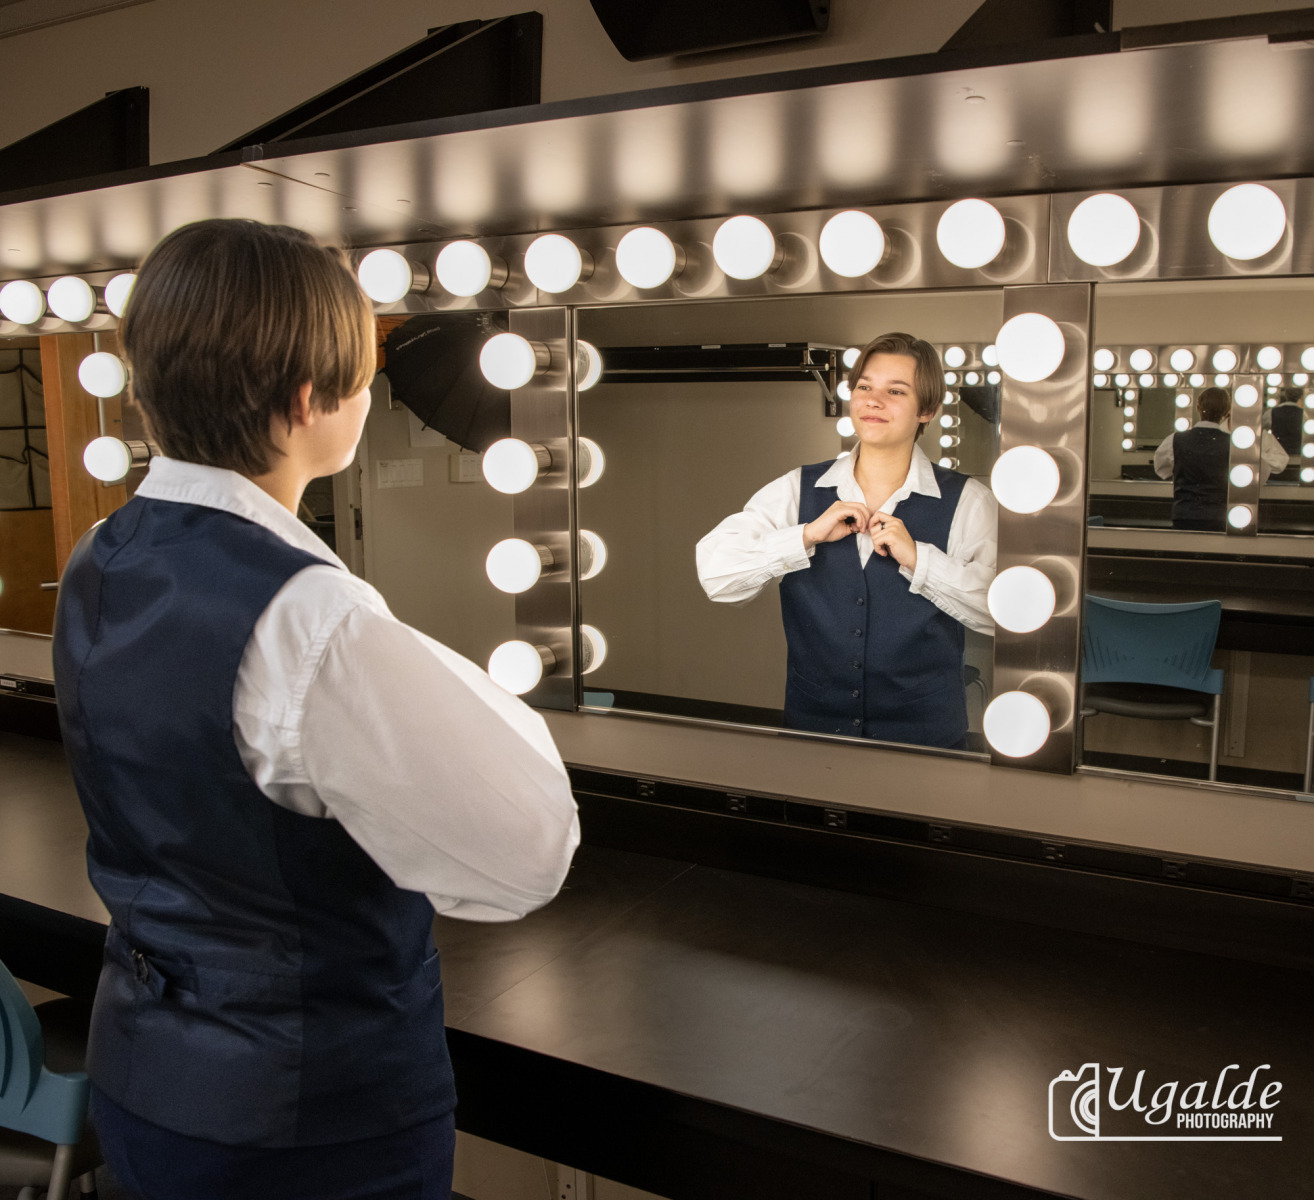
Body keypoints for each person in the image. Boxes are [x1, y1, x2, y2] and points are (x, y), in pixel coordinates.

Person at [52, 219, 580, 1200]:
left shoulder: (101, 555)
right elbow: (526, 854)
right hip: (299, 1128)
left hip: (144, 1078)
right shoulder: (308, 617)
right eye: (363, 376)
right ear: (307, 401)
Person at [695, 331, 996, 749]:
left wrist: (920, 561)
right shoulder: (797, 489)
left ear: (927, 410)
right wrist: (805, 537)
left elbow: (1003, 614)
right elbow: (716, 576)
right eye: (864, 387)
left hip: (927, 741)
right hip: (812, 737)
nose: (873, 401)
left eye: (895, 391)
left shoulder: (969, 501)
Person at [1153, 385, 1288, 530]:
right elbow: (1260, 475)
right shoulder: (1237, 445)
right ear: (1226, 411)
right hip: (1220, 516)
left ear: (1198, 407)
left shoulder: (1175, 440)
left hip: (1185, 514)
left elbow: (1161, 470)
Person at [1263, 385, 1304, 459]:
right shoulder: (1304, 414)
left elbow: (1262, 430)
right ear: (1300, 396)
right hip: (1298, 455)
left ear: (1286, 395)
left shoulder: (1272, 412)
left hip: (1277, 455)